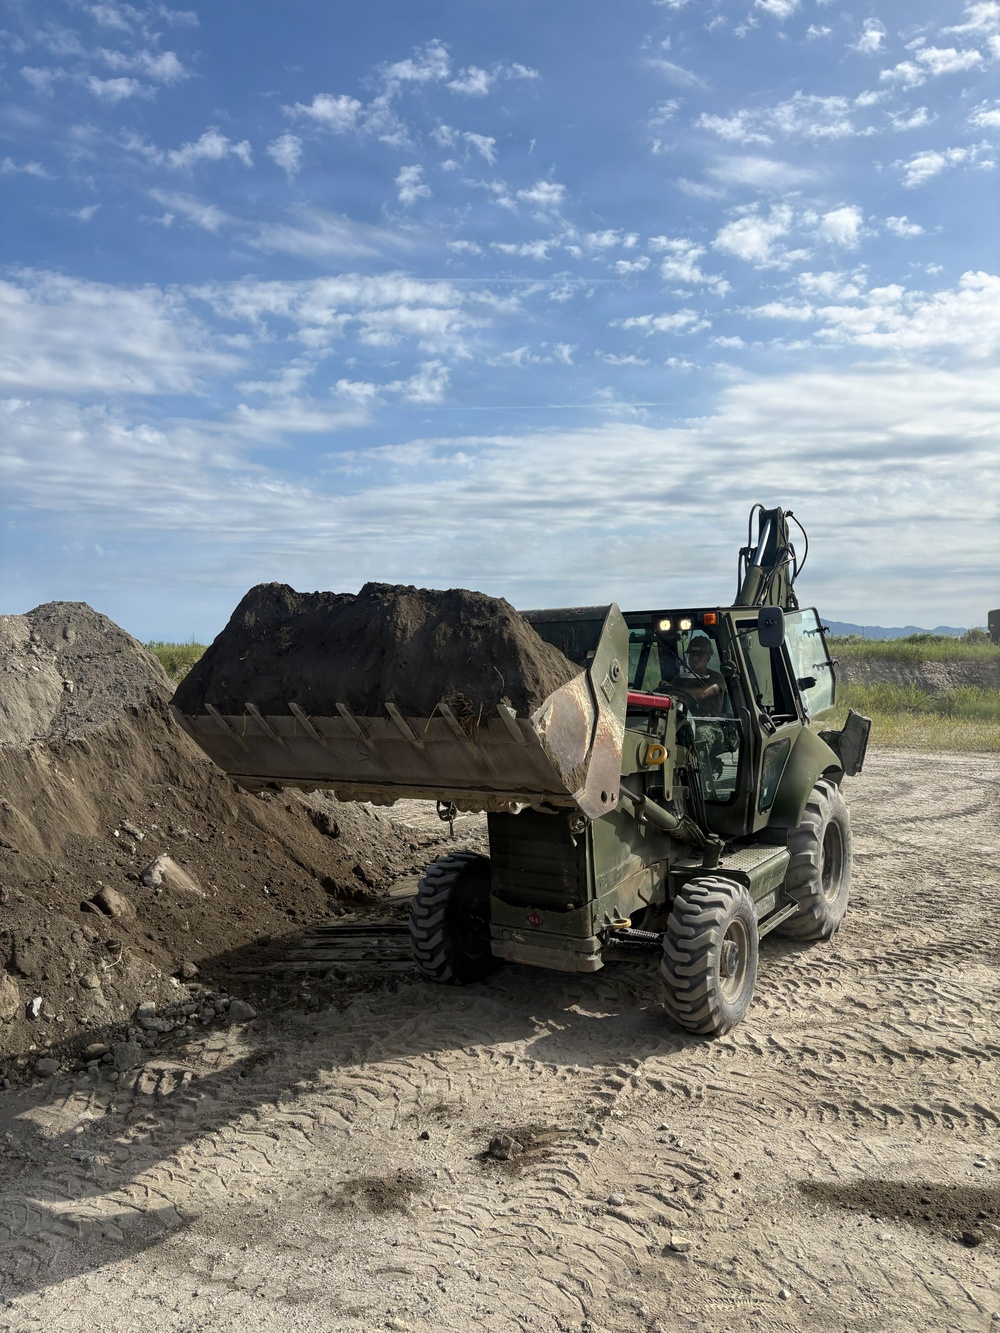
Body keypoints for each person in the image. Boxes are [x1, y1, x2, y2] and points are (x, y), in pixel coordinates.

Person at [664, 636, 727, 716]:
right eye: (692, 655)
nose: (695, 659)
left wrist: (677, 690)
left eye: (700, 656)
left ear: (708, 657)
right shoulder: (678, 680)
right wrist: (665, 689)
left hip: (709, 723)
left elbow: (703, 693)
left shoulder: (717, 678)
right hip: (682, 722)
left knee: (702, 729)